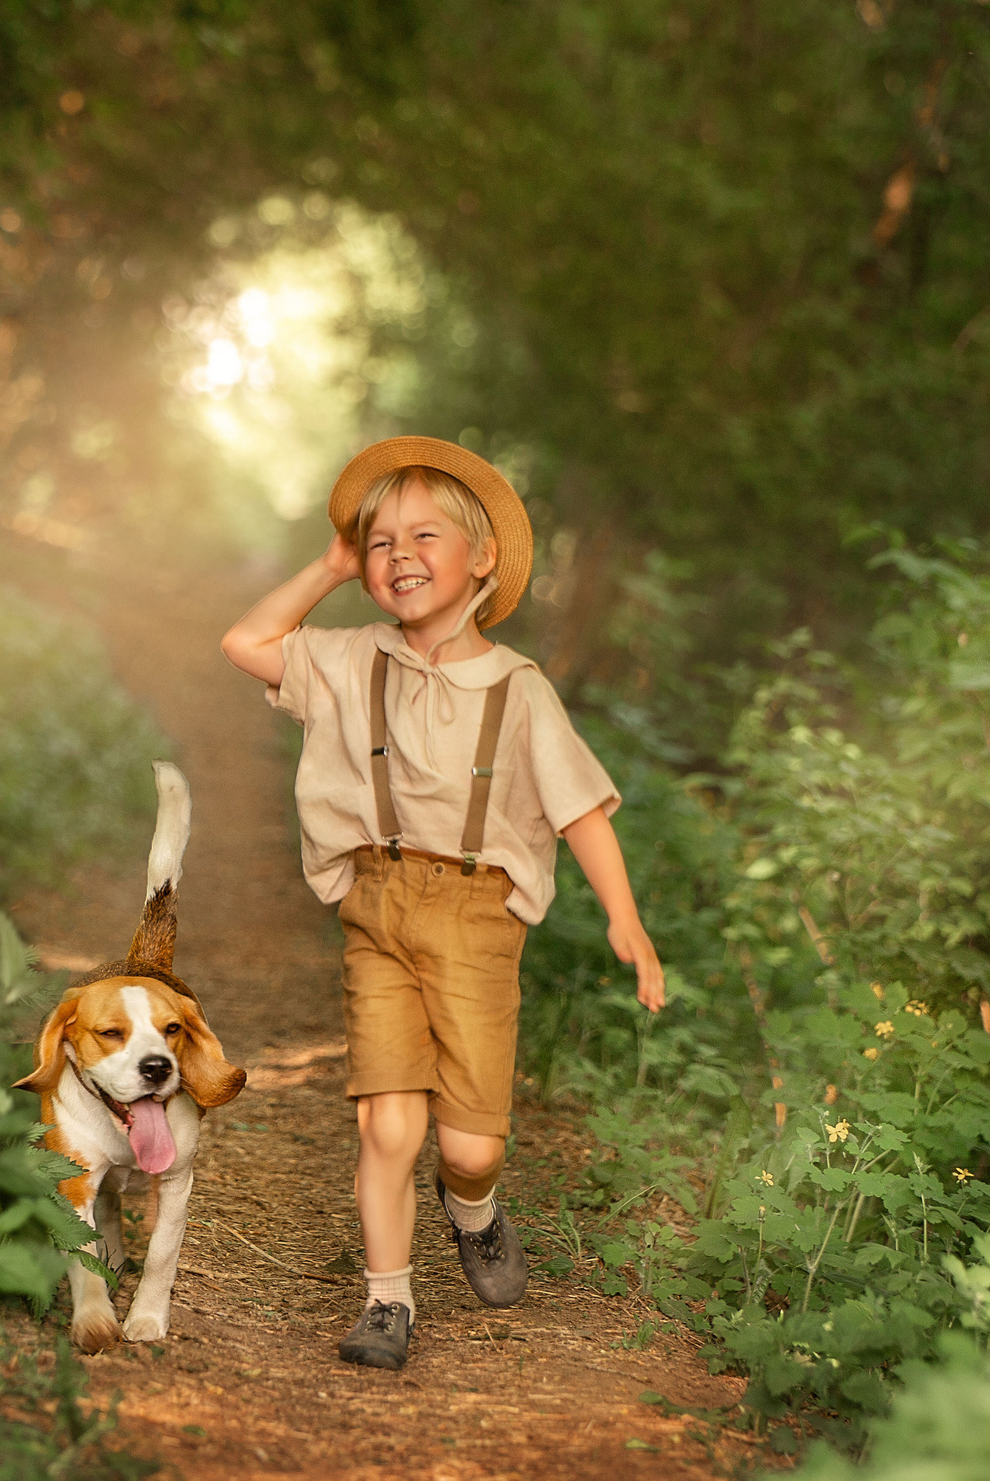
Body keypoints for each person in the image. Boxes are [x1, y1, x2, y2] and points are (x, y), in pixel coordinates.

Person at [220, 436, 666, 1370]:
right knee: (388, 1122)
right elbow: (246, 643)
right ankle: (388, 1301)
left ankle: (474, 1207)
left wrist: (626, 919)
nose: (398, 555)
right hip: (377, 906)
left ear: (484, 559)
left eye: (425, 535)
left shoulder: (520, 691)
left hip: (476, 918)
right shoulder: (348, 660)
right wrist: (327, 566)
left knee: (465, 1145)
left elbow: (581, 808)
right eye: (378, 542)